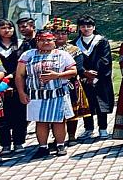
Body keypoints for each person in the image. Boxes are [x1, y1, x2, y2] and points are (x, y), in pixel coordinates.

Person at [16, 29, 78, 158]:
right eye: (42, 40)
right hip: (36, 94)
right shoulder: (28, 55)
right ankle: (42, 147)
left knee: (59, 121)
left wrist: (58, 75)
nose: (46, 43)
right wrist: (22, 93)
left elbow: (73, 71)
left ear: (54, 41)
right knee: (40, 121)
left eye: (49, 40)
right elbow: (20, 75)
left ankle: (60, 145)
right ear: (36, 41)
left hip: (57, 94)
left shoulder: (62, 54)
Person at [0, 19, 27, 155]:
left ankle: (19, 142)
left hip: (18, 83)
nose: (7, 30)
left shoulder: (22, 44)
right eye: (3, 28)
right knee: (0, 116)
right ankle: (5, 144)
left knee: (19, 114)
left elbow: (25, 64)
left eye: (10, 27)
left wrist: (11, 77)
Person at [49, 18, 91, 146]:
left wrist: (61, 74)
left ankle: (72, 136)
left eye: (63, 33)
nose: (60, 36)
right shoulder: (46, 49)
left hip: (71, 84)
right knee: (54, 112)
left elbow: (78, 67)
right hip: (51, 85)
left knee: (72, 111)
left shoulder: (74, 49)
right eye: (56, 33)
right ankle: (58, 137)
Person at [74, 15, 114, 139]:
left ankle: (103, 129)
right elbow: (75, 61)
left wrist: (95, 76)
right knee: (87, 104)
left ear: (94, 27)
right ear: (79, 28)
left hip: (100, 79)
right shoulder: (75, 43)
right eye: (83, 26)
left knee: (101, 102)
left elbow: (105, 60)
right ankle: (88, 129)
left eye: (89, 26)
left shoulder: (102, 41)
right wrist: (84, 73)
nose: (86, 29)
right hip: (83, 79)